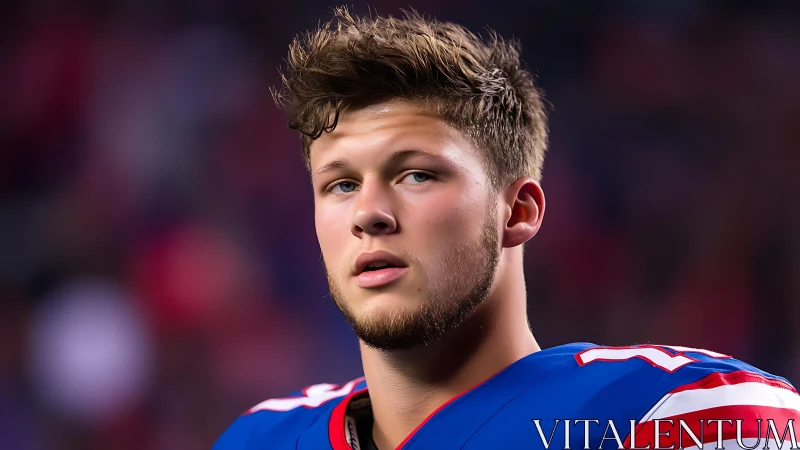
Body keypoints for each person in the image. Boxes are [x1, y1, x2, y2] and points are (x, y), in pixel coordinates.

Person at [214, 7, 800, 450]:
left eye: (416, 175)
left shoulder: (674, 415)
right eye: (341, 184)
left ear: (517, 212)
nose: (369, 213)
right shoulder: (258, 439)